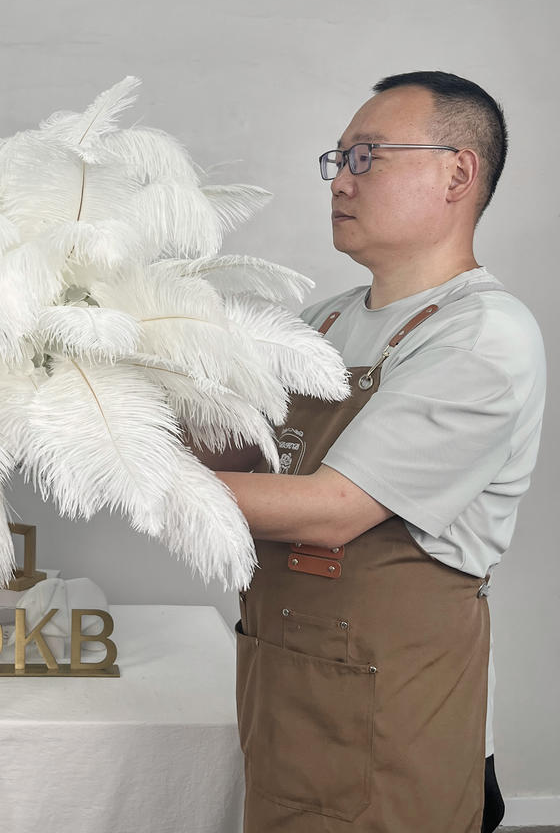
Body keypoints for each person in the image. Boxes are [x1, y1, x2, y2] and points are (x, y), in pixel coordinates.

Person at [212, 72, 546, 832]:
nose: (340, 181)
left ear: (457, 173)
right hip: (289, 691)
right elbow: (227, 449)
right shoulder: (321, 324)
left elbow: (331, 511)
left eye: (367, 156)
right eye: (337, 160)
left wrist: (132, 476)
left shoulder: (480, 335)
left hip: (399, 713)